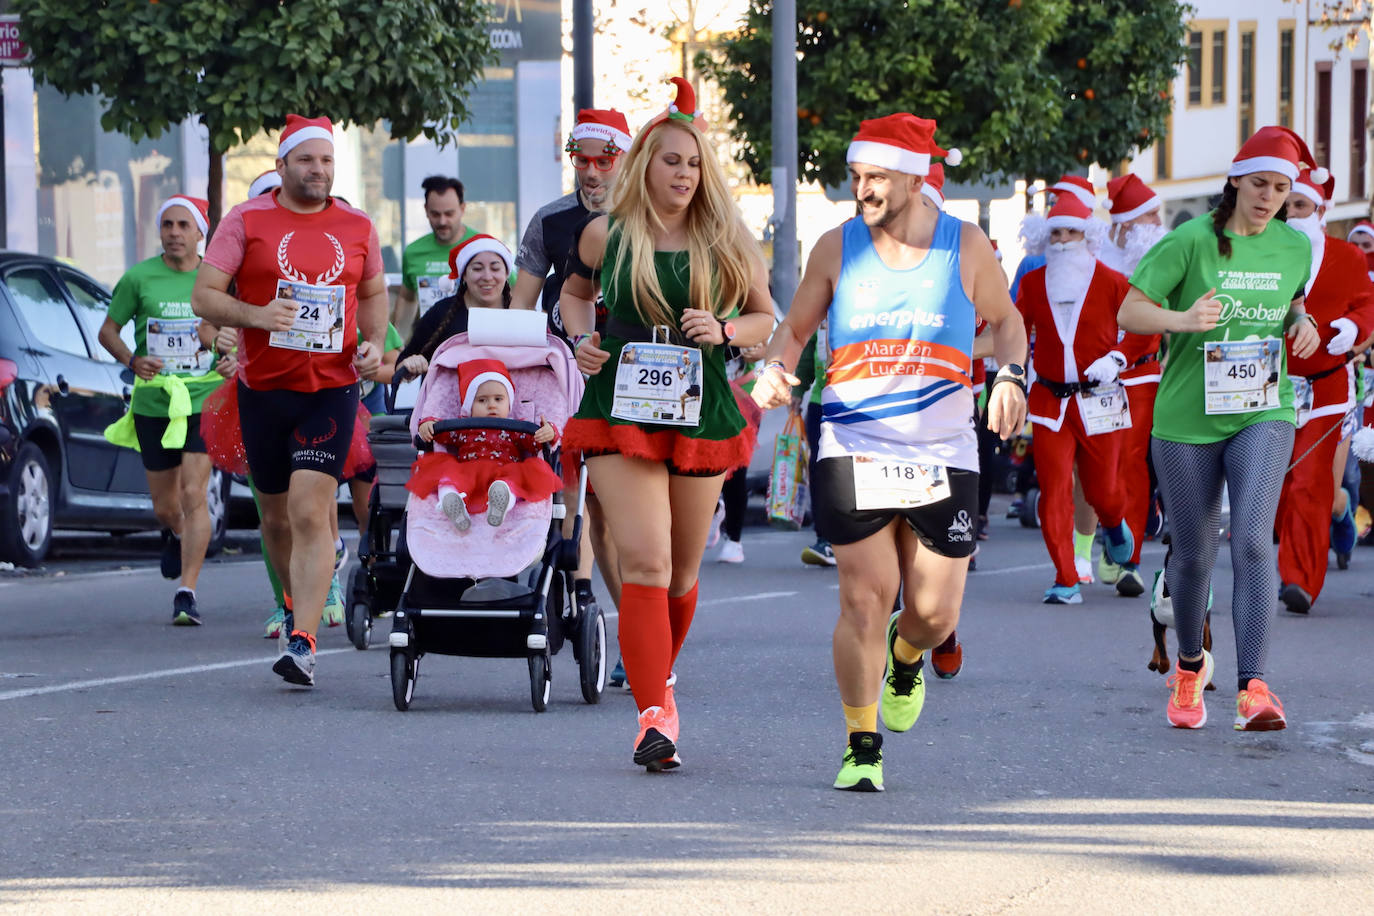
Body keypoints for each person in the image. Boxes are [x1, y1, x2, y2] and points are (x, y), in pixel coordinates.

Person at [752, 112, 1028, 792]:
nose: (863, 189)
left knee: (934, 614)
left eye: (876, 177)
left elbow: (1008, 320)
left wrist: (1009, 376)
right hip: (855, 443)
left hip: (943, 450)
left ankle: (907, 656)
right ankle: (861, 744)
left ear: (915, 179)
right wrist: (775, 366)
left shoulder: (964, 245)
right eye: (857, 176)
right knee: (863, 598)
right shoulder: (836, 247)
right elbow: (795, 328)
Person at [559, 78, 776, 771]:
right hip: (618, 403)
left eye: (694, 164)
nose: (683, 174)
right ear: (645, 165)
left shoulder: (727, 240)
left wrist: (726, 329)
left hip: (698, 403)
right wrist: (580, 339)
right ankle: (653, 717)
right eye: (671, 161)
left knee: (681, 572)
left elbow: (765, 320)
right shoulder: (606, 233)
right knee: (645, 560)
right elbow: (573, 295)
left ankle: (662, 682)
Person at [1118, 125, 1322, 731]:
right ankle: (1188, 667)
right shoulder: (1189, 240)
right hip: (1187, 419)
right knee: (1194, 554)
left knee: (1254, 539)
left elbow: (1293, 302)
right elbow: (1130, 311)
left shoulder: (1295, 247)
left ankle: (1253, 687)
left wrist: (1303, 323)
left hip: (1264, 408)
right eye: (1259, 184)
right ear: (1235, 182)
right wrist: (1183, 319)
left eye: (1280, 189)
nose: (1269, 198)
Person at [192, 114, 387, 687]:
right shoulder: (246, 219)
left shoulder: (357, 225)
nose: (317, 170)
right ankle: (292, 601)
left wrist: (374, 345)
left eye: (326, 160)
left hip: (330, 389)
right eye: (306, 160)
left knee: (307, 509)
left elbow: (373, 291)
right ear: (281, 166)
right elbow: (204, 296)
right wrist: (256, 316)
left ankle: (303, 641)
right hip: (263, 390)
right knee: (275, 517)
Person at [510, 107, 632, 669]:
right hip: (564, 381)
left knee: (614, 517)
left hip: (631, 385)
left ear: (624, 160)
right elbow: (521, 307)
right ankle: (585, 599)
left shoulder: (646, 219)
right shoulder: (550, 220)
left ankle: (639, 632)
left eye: (604, 161)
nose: (592, 172)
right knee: (577, 503)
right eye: (581, 161)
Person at [98, 195, 225, 626]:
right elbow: (108, 331)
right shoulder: (139, 278)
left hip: (203, 398)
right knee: (166, 507)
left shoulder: (216, 279)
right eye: (167, 225)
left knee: (193, 493)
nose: (173, 233)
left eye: (183, 225)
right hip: (154, 402)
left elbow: (238, 332)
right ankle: (174, 532)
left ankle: (186, 592)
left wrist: (231, 359)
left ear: (200, 233)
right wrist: (133, 361)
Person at [1016, 194, 1141, 603]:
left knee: (1104, 491)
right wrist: (1011, 378)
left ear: (1087, 236)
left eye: (1072, 232)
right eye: (1056, 233)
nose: (1063, 241)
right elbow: (1014, 331)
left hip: (1100, 398)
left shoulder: (1112, 281)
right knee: (1054, 490)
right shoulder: (1033, 284)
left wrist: (1117, 358)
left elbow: (1146, 327)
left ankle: (1115, 524)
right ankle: (1066, 578)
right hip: (1050, 400)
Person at [1275, 167, 1374, 613]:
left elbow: (1368, 304)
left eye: (1301, 205)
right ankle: (1341, 511)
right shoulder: (1265, 253)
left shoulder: (1347, 257)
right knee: (1280, 485)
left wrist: (1354, 326)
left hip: (1328, 387)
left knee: (1309, 483)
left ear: (1320, 211)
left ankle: (1298, 580)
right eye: (1287, 206)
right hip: (1273, 386)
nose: (1292, 213)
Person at [1094, 173, 1169, 594]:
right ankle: (1115, 531)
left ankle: (1129, 559)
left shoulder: (1163, 259)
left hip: (1142, 371)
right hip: (1095, 380)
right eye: (1150, 216)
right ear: (1125, 223)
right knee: (1104, 467)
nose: (1159, 223)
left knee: (1132, 462)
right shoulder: (1097, 261)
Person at [408, 359, 562, 530]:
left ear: (509, 404)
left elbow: (534, 444)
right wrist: (428, 424)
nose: (491, 405)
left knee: (512, 483)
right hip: (468, 472)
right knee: (447, 478)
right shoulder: (464, 427)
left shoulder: (516, 428)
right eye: (482, 400)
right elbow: (441, 434)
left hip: (505, 471)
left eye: (498, 399)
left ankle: (501, 504)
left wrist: (548, 432)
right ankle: (451, 502)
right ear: (470, 407)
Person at [396, 234, 513, 376]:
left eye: (495, 268)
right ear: (464, 275)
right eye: (477, 269)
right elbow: (401, 366)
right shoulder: (441, 313)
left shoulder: (519, 314)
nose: (487, 277)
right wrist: (412, 365)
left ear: (506, 273)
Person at [395, 176, 477, 337]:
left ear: (463, 209)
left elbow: (514, 292)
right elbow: (407, 299)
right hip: (430, 342)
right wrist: (399, 341)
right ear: (426, 210)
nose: (442, 221)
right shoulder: (413, 252)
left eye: (449, 214)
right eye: (435, 214)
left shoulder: (481, 246)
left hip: (472, 342)